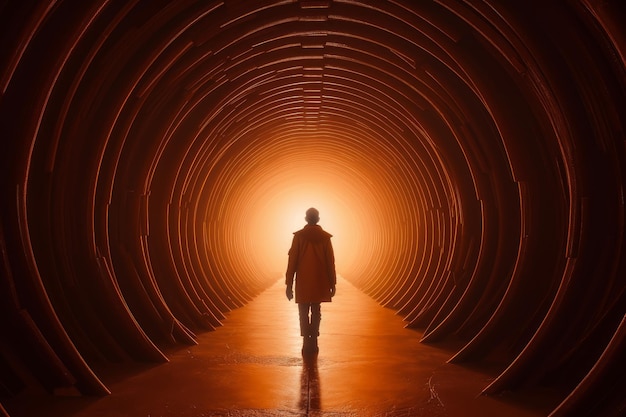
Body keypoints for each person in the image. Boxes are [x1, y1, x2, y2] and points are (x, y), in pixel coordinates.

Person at [285, 207, 337, 354]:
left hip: (303, 281)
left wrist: (289, 284)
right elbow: (330, 262)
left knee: (302, 311)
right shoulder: (325, 238)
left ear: (306, 219)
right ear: (318, 219)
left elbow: (292, 261)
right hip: (319, 280)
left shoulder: (299, 237)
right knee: (316, 310)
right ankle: (314, 339)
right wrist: (332, 283)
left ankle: (305, 341)